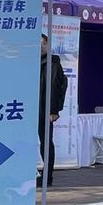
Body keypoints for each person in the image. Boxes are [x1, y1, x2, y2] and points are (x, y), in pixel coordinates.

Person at [38, 33, 67, 187]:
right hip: (30, 109)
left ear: (48, 45)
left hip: (45, 109)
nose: (40, 47)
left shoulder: (53, 62)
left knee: (46, 143)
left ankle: (47, 176)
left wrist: (54, 110)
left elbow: (56, 87)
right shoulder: (31, 62)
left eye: (42, 44)